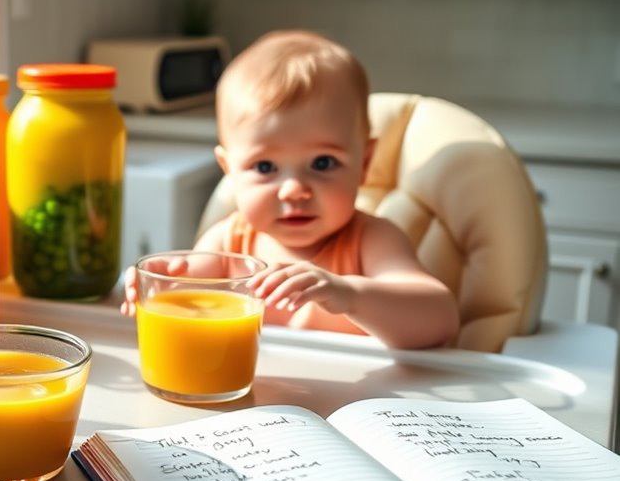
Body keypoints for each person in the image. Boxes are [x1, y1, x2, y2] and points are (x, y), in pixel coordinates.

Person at [121, 29, 459, 349]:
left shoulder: (370, 241)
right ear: (230, 171)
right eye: (265, 167)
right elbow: (184, 303)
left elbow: (439, 319)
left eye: (323, 163)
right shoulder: (229, 243)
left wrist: (349, 295)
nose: (295, 190)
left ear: (365, 164)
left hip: (350, 403)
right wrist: (157, 284)